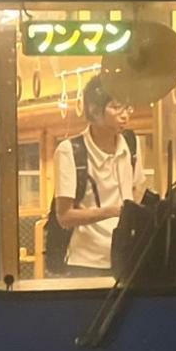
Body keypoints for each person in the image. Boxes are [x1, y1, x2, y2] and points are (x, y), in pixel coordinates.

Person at [51, 77, 137, 277]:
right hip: (86, 262)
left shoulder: (131, 145)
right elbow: (64, 216)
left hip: (128, 257)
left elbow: (137, 191)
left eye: (128, 108)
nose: (125, 116)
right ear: (94, 110)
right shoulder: (70, 151)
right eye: (117, 107)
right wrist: (113, 211)